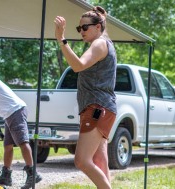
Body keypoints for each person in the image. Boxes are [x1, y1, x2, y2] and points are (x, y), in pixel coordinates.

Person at [54, 6, 117, 189]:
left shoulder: (99, 43)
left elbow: (78, 65)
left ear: (98, 27)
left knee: (81, 160)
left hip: (96, 107)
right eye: (79, 28)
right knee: (99, 160)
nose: (81, 31)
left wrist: (61, 40)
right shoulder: (104, 42)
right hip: (103, 107)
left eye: (85, 27)